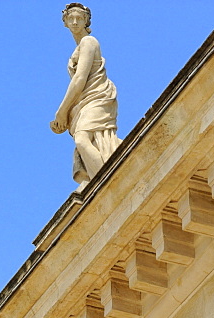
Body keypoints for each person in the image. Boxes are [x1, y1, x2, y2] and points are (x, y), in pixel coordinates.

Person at [50, 4, 120, 189]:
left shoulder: (89, 42)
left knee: (83, 139)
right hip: (84, 101)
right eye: (71, 18)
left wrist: (62, 111)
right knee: (94, 142)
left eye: (79, 18)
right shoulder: (76, 50)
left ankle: (107, 182)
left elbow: (80, 79)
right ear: (64, 22)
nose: (74, 22)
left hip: (97, 96)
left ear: (86, 21)